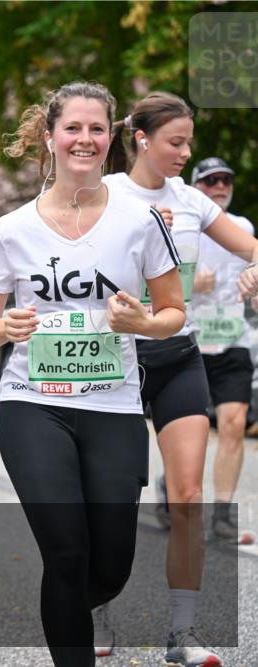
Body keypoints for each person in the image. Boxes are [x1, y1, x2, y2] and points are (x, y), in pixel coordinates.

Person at [0, 81, 186, 667]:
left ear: (110, 137)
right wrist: (6, 328)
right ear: (51, 137)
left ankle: (68, 609)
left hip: (113, 405)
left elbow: (173, 314)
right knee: (66, 554)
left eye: (96, 128)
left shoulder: (141, 222)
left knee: (109, 566)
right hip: (31, 404)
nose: (84, 139)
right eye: (73, 128)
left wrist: (142, 320)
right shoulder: (12, 228)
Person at [99, 92, 258, 667]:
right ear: (141, 139)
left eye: (189, 142)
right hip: (111, 363)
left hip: (177, 356)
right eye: (176, 142)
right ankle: (97, 606)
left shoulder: (192, 201)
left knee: (187, 495)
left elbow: (253, 246)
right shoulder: (105, 194)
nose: (186, 154)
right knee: (111, 503)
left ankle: (183, 634)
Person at [190, 157, 255, 544]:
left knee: (233, 425)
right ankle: (174, 488)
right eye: (210, 180)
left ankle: (223, 516)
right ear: (195, 188)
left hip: (233, 339)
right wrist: (189, 284)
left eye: (225, 180)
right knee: (191, 431)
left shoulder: (243, 229)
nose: (219, 186)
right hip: (191, 344)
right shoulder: (180, 227)